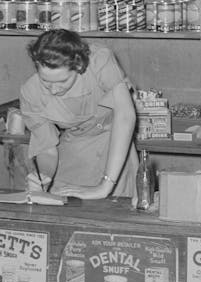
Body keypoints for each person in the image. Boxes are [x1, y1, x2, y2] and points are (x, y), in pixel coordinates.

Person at [19, 29, 137, 200]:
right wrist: (44, 176)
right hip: (76, 154)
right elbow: (47, 148)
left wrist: (105, 186)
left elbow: (125, 115)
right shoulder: (31, 92)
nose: (53, 89)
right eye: (45, 80)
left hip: (116, 148)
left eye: (62, 81)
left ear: (79, 67)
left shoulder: (99, 60)